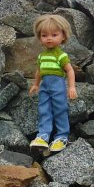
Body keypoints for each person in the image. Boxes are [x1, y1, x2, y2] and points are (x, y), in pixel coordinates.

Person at [29, 13, 77, 152]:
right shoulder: (41, 56)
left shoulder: (61, 55)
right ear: (39, 38)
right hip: (44, 86)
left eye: (54, 35)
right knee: (44, 109)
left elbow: (70, 71)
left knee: (60, 109)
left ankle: (62, 136)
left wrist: (71, 86)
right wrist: (36, 84)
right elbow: (39, 70)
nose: (49, 38)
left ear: (63, 36)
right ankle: (43, 135)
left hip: (58, 85)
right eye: (44, 35)